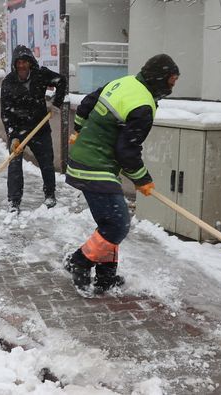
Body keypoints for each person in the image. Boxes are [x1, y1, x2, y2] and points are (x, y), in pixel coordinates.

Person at [65, 54, 180, 294]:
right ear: (159, 78)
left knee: (110, 223)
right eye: (171, 80)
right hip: (95, 166)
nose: (173, 85)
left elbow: (87, 102)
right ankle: (80, 260)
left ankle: (106, 278)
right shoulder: (143, 105)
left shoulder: (124, 82)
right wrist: (142, 179)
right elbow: (127, 151)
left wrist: (78, 129)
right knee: (117, 225)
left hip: (87, 160)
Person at [1, 45, 67, 213]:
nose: (22, 66)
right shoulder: (8, 82)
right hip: (18, 130)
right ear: (14, 65)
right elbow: (6, 113)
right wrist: (13, 136)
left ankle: (50, 195)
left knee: (46, 163)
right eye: (18, 63)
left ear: (30, 63)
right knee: (14, 165)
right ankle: (14, 201)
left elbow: (61, 81)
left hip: (40, 128)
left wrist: (55, 103)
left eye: (25, 62)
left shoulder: (40, 75)